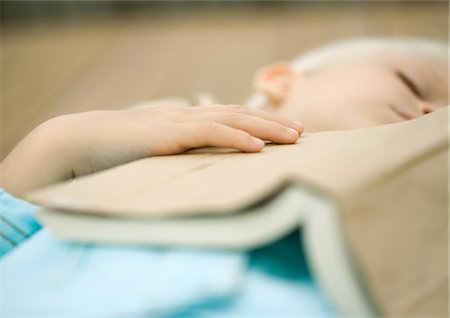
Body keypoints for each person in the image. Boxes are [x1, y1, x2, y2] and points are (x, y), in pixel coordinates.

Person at [0, 37, 447, 316]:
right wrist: (58, 143)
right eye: (412, 82)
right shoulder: (152, 131)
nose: (432, 114)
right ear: (283, 81)